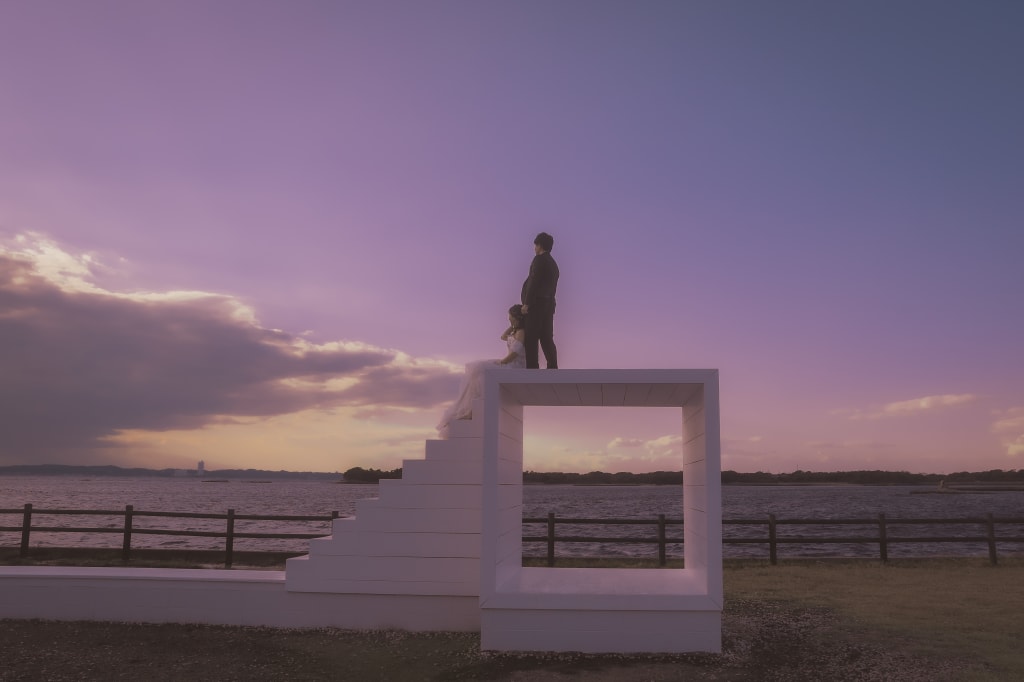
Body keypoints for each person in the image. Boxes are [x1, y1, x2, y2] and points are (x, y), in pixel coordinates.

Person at [436, 304, 527, 436]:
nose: (509, 320)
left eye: (511, 318)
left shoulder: (521, 332)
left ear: (517, 318)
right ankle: (467, 408)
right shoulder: (515, 330)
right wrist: (513, 324)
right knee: (476, 371)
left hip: (514, 366)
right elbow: (503, 336)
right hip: (507, 363)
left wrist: (502, 362)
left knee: (480, 367)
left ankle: (470, 410)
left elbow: (515, 353)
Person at [520, 232, 559, 369]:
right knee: (546, 337)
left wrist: (526, 304)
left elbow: (533, 282)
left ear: (540, 245)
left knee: (531, 338)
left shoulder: (539, 260)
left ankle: (532, 370)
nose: (534, 248)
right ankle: (553, 367)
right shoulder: (554, 265)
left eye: (535, 245)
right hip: (548, 306)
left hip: (536, 305)